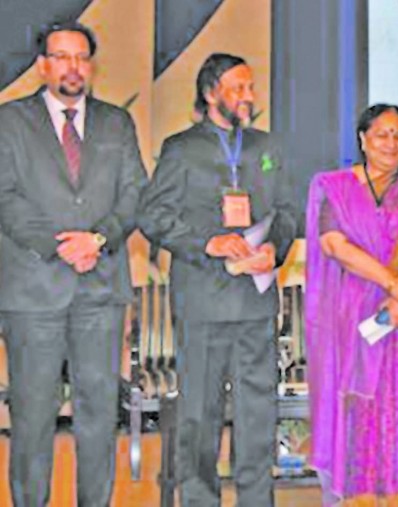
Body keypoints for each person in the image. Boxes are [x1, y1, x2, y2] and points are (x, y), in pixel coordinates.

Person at [138, 53, 299, 507]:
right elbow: (152, 215)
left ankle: (256, 500)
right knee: (199, 416)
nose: (249, 96)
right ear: (211, 93)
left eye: (251, 87)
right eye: (238, 88)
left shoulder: (268, 148)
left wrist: (276, 249)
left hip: (256, 302)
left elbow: (288, 212)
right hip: (203, 303)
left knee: (258, 413)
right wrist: (207, 242)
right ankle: (199, 500)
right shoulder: (181, 148)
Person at [0, 21, 146, 507]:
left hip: (101, 292)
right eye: (61, 57)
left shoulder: (116, 123)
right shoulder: (9, 121)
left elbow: (135, 194)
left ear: (92, 65)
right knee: (33, 416)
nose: (73, 67)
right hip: (32, 291)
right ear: (42, 65)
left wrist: (99, 238)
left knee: (98, 415)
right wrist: (57, 243)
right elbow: (5, 197)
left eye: (81, 57)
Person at [304, 103, 398, 505]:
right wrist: (392, 282)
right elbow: (334, 243)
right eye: (382, 134)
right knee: (357, 410)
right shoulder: (335, 187)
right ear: (363, 139)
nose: (391, 143)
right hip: (354, 317)